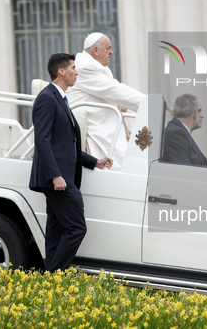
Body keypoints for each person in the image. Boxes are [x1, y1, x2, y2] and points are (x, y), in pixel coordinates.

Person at [29, 53, 113, 272]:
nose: (77, 72)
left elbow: (67, 145)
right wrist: (55, 175)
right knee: (77, 228)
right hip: (59, 179)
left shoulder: (61, 99)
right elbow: (42, 140)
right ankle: (54, 274)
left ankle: (49, 277)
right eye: (74, 68)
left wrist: (95, 162)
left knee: (56, 230)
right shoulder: (47, 98)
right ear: (61, 71)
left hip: (63, 176)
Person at [66, 32, 145, 171]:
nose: (112, 52)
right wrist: (148, 102)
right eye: (108, 48)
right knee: (122, 168)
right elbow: (113, 90)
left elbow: (107, 90)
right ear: (95, 50)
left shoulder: (95, 65)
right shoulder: (85, 66)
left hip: (103, 122)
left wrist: (118, 103)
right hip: (95, 126)